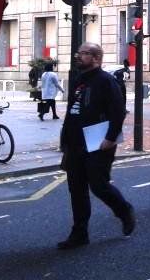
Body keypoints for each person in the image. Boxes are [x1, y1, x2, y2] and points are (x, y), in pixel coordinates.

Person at [57, 43, 135, 250]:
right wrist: (64, 140)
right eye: (79, 53)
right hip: (75, 143)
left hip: (98, 143)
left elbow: (118, 112)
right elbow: (72, 111)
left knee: (99, 186)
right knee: (77, 189)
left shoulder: (106, 81)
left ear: (96, 58)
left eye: (84, 54)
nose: (79, 56)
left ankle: (124, 210)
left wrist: (110, 138)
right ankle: (80, 233)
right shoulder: (78, 80)